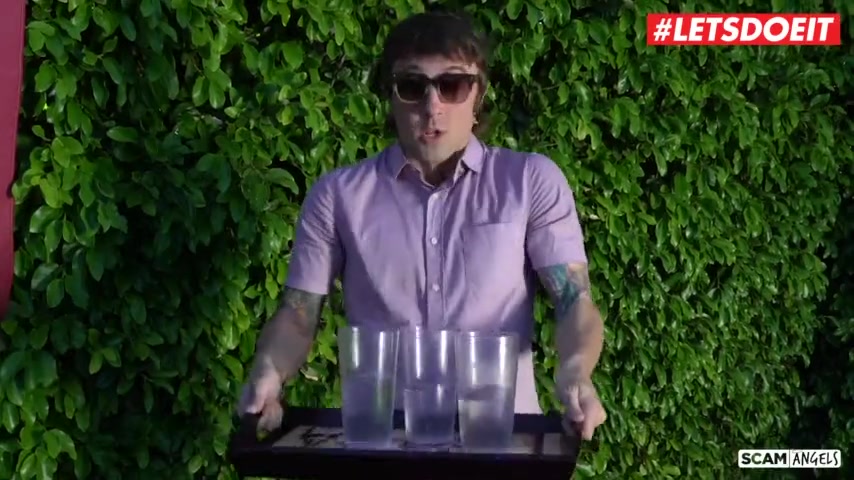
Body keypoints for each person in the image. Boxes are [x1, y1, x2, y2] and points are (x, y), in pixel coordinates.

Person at [237, 10, 607, 442]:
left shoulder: (529, 181)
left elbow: (573, 300)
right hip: (384, 444)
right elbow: (299, 314)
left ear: (478, 94)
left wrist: (576, 372)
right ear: (390, 96)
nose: (433, 107)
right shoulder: (337, 196)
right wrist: (270, 371)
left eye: (453, 85)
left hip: (499, 441)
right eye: (413, 87)